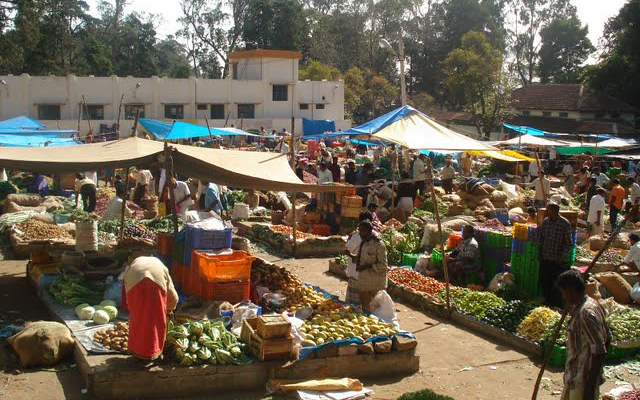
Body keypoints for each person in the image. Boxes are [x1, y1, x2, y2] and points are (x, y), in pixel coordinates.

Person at [556, 270, 610, 400]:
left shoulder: (585, 313)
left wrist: (589, 387)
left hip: (583, 382)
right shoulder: (592, 303)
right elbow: (608, 337)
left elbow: (599, 350)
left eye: (564, 292)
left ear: (571, 289)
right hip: (574, 377)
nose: (563, 297)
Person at [122, 256, 178, 360]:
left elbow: (128, 299)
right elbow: (173, 297)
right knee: (157, 319)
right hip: (155, 282)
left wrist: (133, 308)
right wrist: (169, 310)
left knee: (137, 317)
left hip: (133, 278)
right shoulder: (162, 267)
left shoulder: (134, 264)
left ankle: (135, 350)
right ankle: (153, 352)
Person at [537, 203, 573, 307]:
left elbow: (569, 243)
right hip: (545, 257)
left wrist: (562, 256)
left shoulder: (564, 223)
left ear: (556, 211)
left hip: (556, 260)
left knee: (556, 283)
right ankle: (547, 301)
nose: (548, 212)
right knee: (544, 281)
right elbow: (541, 238)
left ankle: (556, 303)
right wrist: (539, 252)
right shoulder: (546, 222)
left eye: (550, 210)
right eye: (548, 210)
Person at [346, 220, 387, 310]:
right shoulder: (364, 243)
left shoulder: (379, 244)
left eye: (362, 231)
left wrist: (366, 267)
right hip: (364, 283)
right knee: (365, 308)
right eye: (359, 230)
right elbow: (361, 259)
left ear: (369, 231)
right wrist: (351, 255)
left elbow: (383, 265)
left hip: (374, 284)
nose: (360, 233)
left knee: (375, 309)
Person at [344, 211, 374, 305]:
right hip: (369, 274)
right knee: (366, 301)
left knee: (353, 303)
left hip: (356, 273)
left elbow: (348, 249)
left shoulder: (357, 235)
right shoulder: (376, 235)